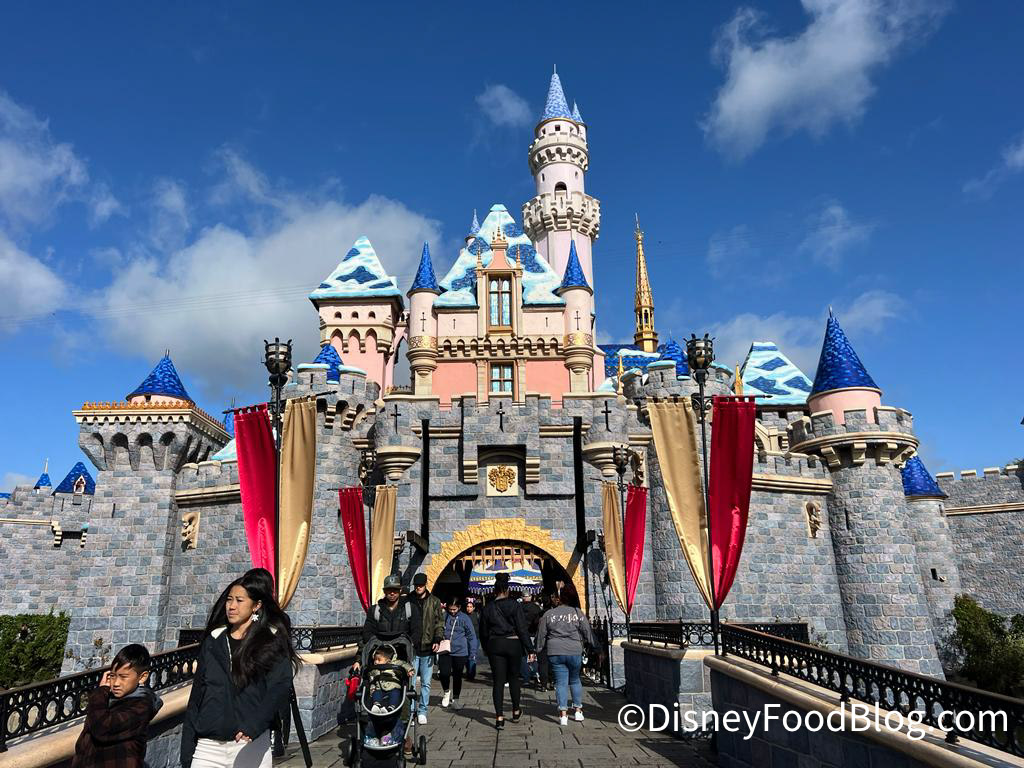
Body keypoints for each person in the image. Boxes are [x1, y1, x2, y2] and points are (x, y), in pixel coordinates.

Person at [181, 572, 299, 768]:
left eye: (239, 600)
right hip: (208, 746)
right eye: (229, 599)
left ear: (256, 605)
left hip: (249, 745)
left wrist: (255, 724)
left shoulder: (270, 641)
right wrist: (187, 751)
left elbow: (279, 687)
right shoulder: (214, 640)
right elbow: (197, 697)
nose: (232, 606)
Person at [72, 644, 163, 768]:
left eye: (123, 677)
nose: (116, 683)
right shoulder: (110, 699)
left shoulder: (141, 706)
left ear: (142, 677)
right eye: (113, 676)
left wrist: (101, 691)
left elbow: (103, 727)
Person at [479, 573, 535, 729]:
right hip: (513, 643)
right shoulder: (514, 605)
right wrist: (530, 648)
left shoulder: (488, 607)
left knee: (498, 681)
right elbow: (522, 628)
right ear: (507, 590)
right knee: (514, 678)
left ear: (494, 590)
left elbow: (483, 632)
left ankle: (499, 717)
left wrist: (486, 648)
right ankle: (516, 711)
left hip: (495, 644)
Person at [536, 585, 595, 726]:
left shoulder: (549, 614)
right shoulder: (577, 612)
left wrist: (537, 649)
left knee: (560, 682)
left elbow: (541, 634)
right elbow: (587, 631)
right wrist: (595, 646)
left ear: (559, 599)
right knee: (575, 680)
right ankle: (578, 711)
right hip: (574, 650)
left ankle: (563, 714)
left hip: (555, 651)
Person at [408, 573, 443, 725]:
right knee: (410, 682)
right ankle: (410, 711)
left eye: (421, 585)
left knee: (426, 683)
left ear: (425, 585)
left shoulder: (434, 601)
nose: (418, 588)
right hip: (412, 648)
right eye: (416, 585)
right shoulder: (408, 601)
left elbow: (439, 623)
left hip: (428, 647)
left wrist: (437, 639)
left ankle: (422, 710)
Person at [364, 644, 414, 747]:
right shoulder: (374, 668)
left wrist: (409, 670)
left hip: (393, 687)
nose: (376, 662)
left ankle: (391, 708)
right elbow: (369, 675)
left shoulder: (395, 664)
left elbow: (404, 664)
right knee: (376, 693)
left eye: (379, 660)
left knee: (395, 695)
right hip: (380, 688)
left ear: (388, 661)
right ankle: (376, 705)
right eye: (375, 660)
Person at [438, 598, 477, 710]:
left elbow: (471, 636)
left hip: (460, 652)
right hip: (445, 650)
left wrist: (472, 653)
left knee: (457, 676)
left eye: (454, 609)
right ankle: (446, 692)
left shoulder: (465, 618)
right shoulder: (444, 616)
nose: (452, 611)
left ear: (459, 607)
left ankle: (456, 699)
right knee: (444, 673)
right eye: (450, 609)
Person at [519, 592, 543, 685]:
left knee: (523, 656)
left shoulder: (519, 607)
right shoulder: (536, 608)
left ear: (522, 597)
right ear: (530, 597)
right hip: (533, 634)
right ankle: (535, 673)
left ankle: (526, 677)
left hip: (522, 634)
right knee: (534, 654)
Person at [463, 599, 481, 681]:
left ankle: (471, 674)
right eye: (467, 606)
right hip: (465, 638)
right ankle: (469, 671)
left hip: (475, 638)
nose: (469, 608)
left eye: (470, 607)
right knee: (466, 656)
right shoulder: (464, 616)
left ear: (474, 608)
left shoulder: (477, 615)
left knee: (472, 655)